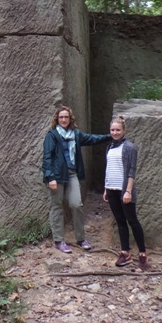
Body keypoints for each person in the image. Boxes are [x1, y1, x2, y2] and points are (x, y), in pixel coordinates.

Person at [42, 105, 111, 253]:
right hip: (56, 176)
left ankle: (81, 238)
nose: (64, 119)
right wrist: (50, 177)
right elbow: (47, 158)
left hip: (72, 174)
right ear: (57, 119)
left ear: (70, 118)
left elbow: (92, 139)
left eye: (66, 117)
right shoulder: (52, 135)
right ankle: (59, 240)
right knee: (57, 207)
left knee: (76, 204)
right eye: (61, 117)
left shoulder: (76, 134)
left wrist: (111, 136)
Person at [102, 115, 148, 270]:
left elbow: (131, 171)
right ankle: (125, 252)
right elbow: (109, 169)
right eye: (112, 130)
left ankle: (142, 254)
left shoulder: (129, 147)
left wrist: (128, 191)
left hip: (124, 190)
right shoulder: (109, 147)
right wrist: (105, 188)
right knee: (120, 221)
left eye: (118, 130)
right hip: (111, 188)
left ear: (124, 130)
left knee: (132, 221)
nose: (115, 132)